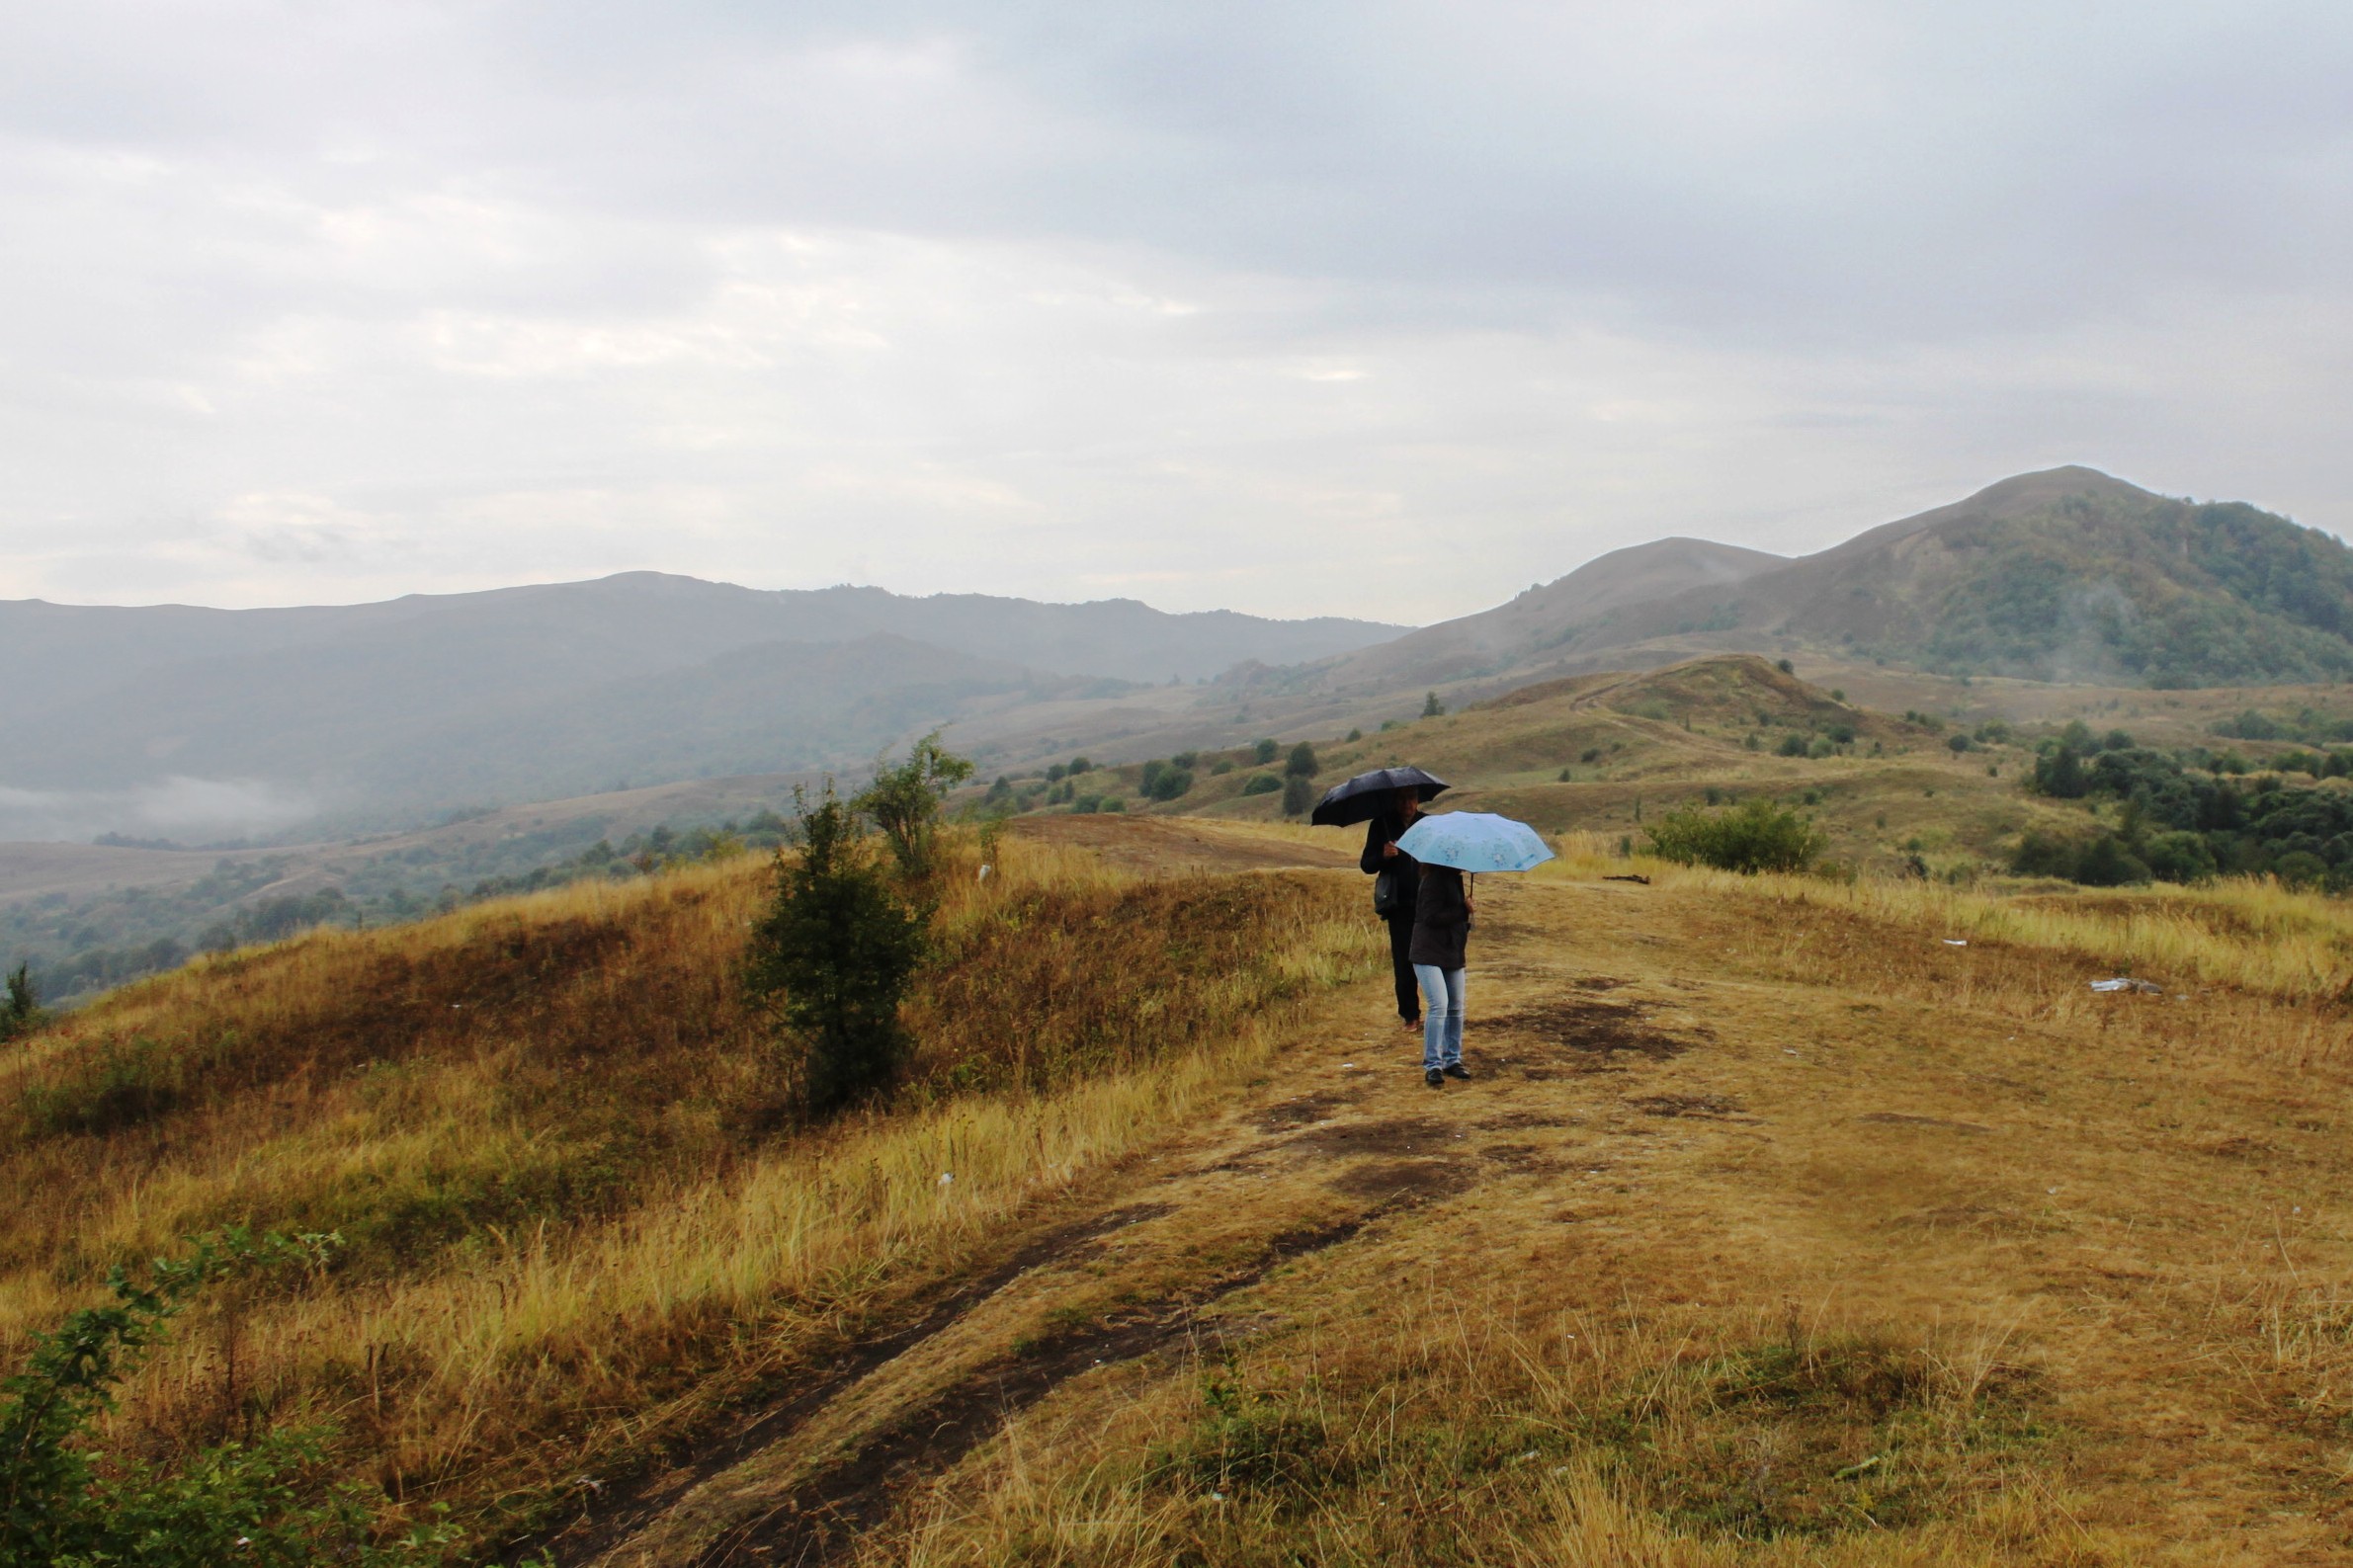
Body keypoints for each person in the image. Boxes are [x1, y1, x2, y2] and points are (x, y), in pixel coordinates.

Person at [1360, 786, 1424, 1033]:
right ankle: (1410, 1014)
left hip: (1426, 902)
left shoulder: (1427, 824)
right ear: (1395, 801)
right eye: (1403, 798)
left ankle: (1441, 1010)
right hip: (1399, 906)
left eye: (1412, 798)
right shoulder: (1381, 825)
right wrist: (1383, 856)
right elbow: (1366, 864)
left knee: (1430, 958)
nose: (1408, 804)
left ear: (1418, 800)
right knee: (1404, 961)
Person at [1410, 857, 1472, 1088]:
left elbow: (1453, 917)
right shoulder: (1432, 880)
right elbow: (1430, 917)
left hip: (1451, 950)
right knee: (1439, 1006)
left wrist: (1464, 916)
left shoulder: (1454, 879)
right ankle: (1433, 1064)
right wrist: (1462, 910)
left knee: (1456, 1006)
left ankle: (1452, 1059)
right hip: (1428, 951)